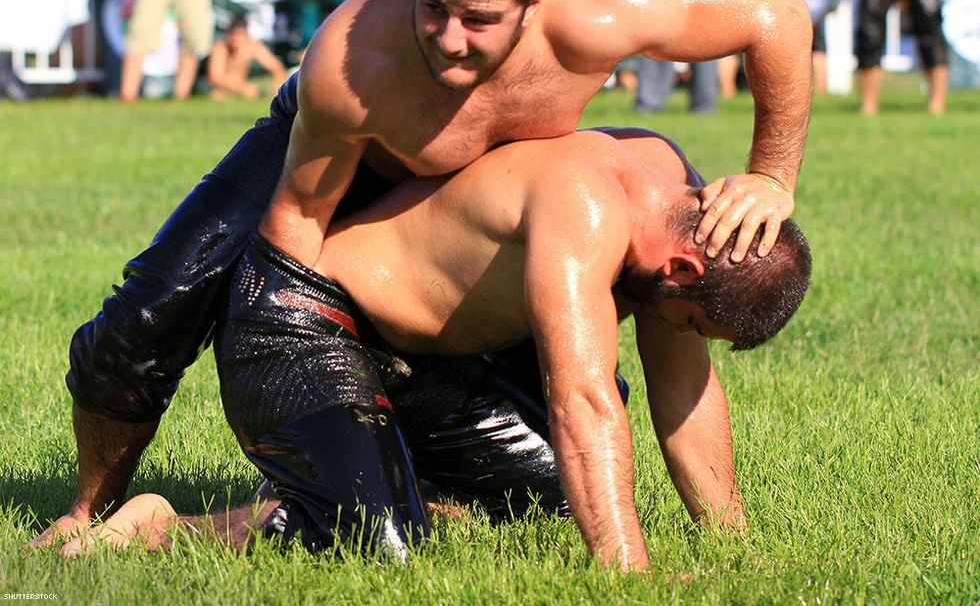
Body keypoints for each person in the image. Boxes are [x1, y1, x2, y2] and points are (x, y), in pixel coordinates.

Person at [37, 0, 812, 556]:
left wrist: (773, 176)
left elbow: (776, 17)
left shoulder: (601, 19)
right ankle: (90, 509)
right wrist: (300, 380)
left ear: (533, 7)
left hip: (462, 223)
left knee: (545, 483)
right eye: (432, 6)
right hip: (330, 197)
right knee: (148, 318)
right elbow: (296, 230)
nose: (447, 38)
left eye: (477, 21)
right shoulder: (353, 62)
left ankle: (374, 469)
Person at [61, 127, 811, 570]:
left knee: (548, 491)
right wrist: (628, 574)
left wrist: (730, 539)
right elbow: (581, 397)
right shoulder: (589, 206)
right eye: (688, 320)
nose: (673, 335)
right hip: (304, 320)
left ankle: (359, 476)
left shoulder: (678, 203)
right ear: (683, 269)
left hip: (428, 356)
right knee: (378, 543)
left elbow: (682, 387)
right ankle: (162, 523)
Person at [205, 15, 287, 100]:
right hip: (220, 89)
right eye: (234, 34)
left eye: (240, 34)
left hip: (241, 90)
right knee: (217, 96)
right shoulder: (220, 48)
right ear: (228, 34)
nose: (237, 39)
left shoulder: (252, 46)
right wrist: (241, 88)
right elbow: (215, 78)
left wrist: (277, 90)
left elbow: (278, 68)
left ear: (246, 34)